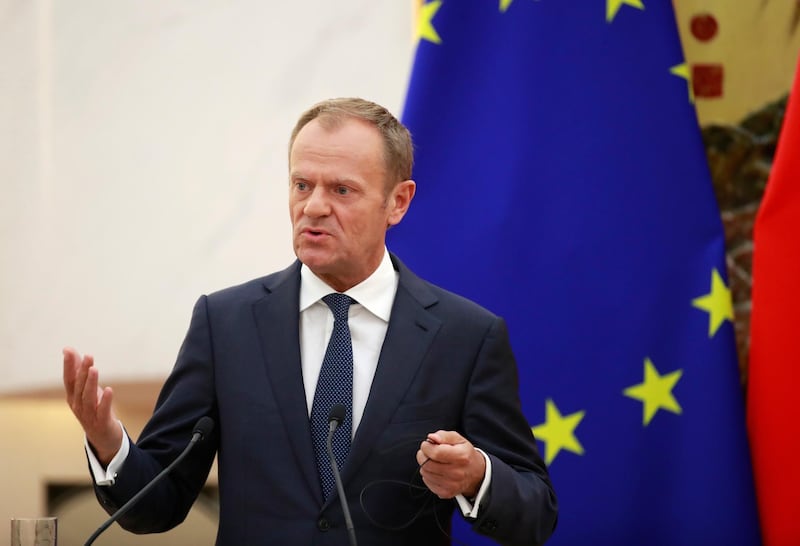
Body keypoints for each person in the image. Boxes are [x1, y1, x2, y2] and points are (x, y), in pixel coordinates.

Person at [63, 97, 558, 545]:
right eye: (302, 185)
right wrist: (109, 442)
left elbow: (536, 512)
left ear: (398, 202)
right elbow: (157, 505)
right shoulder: (225, 323)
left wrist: (476, 476)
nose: (313, 207)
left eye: (342, 189)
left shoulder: (465, 335)